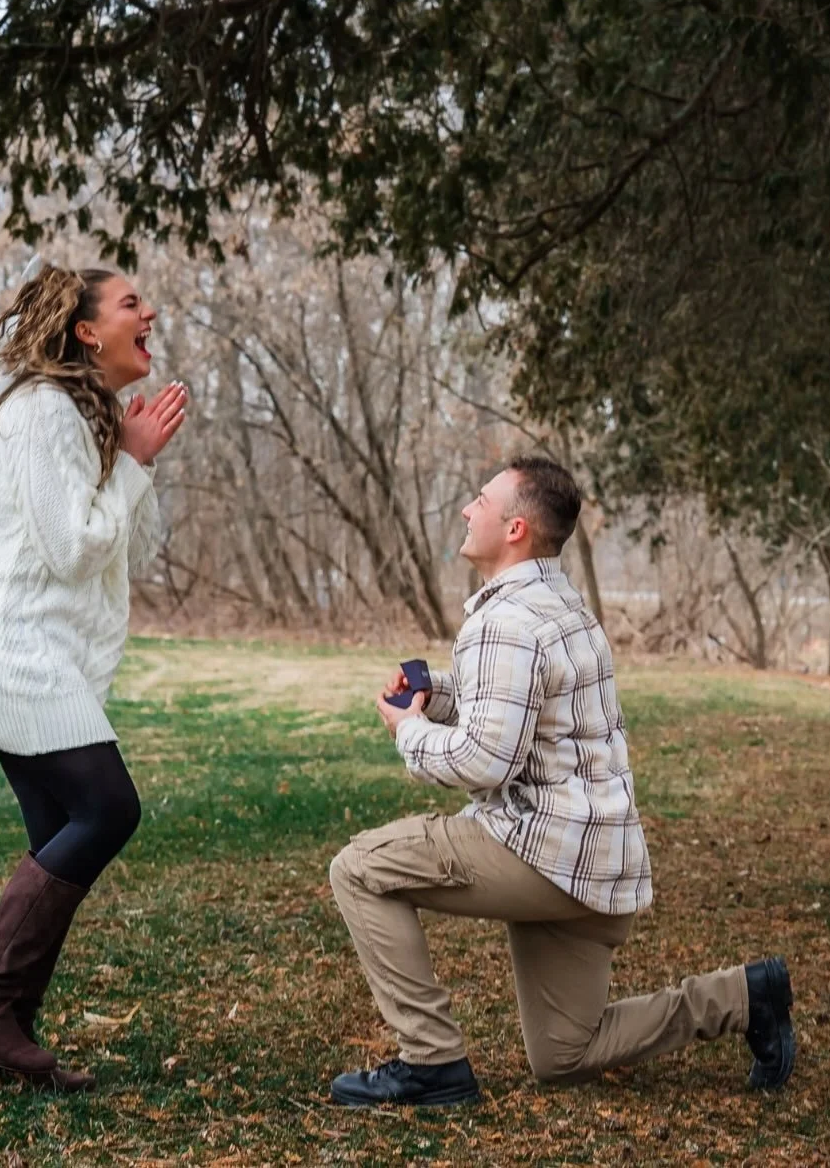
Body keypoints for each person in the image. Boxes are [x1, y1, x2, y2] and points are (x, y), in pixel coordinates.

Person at [328, 456, 795, 1107]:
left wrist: (409, 732)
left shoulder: (503, 622)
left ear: (515, 527)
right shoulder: (558, 604)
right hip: (598, 865)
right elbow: (516, 702)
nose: (468, 509)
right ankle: (746, 996)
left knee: (358, 868)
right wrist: (433, 694)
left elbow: (483, 762)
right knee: (564, 1055)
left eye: (481, 501)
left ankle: (431, 1063)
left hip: (541, 853)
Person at [0, 259, 186, 1092]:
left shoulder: (81, 415)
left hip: (25, 641)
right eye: (130, 302)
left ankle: (4, 1037)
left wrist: (132, 456)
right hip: (5, 639)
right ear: (85, 329)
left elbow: (110, 546)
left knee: (57, 832)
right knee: (108, 808)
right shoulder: (40, 410)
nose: (150, 311)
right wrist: (135, 463)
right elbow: (74, 548)